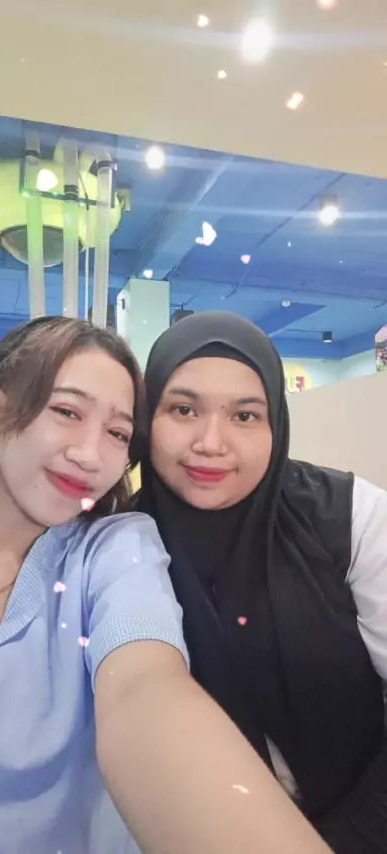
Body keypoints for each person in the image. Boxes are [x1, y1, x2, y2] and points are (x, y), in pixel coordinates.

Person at [0, 315, 330, 854]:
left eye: (118, 433)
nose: (90, 455)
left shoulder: (118, 549)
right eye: (67, 412)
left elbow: (145, 690)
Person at [137, 309, 387, 852]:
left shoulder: (349, 516)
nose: (211, 442)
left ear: (276, 423)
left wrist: (353, 837)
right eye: (183, 409)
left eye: (245, 416)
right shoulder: (116, 548)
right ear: (145, 418)